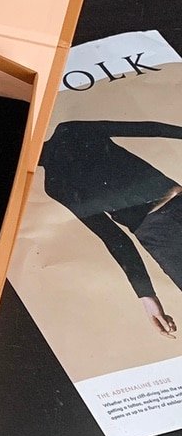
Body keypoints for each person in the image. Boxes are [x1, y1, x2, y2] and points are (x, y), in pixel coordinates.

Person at [40, 118, 182, 339]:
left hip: (163, 231)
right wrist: (146, 295)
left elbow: (147, 128)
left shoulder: (69, 134)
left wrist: (147, 295)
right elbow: (114, 238)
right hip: (161, 237)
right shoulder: (56, 181)